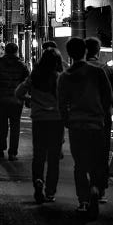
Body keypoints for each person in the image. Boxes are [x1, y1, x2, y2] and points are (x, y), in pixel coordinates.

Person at [58, 36, 113, 219]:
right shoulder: (98, 72)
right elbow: (108, 97)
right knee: (98, 159)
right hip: (96, 123)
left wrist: (67, 120)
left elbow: (62, 103)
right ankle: (96, 188)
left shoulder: (65, 76)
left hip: (76, 124)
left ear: (70, 54)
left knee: (80, 163)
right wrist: (101, 114)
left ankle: (83, 200)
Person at [15, 47, 65, 204]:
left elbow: (18, 92)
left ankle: (38, 180)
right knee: (54, 158)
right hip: (56, 121)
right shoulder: (60, 78)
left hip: (39, 120)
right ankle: (50, 192)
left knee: (39, 155)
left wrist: (29, 100)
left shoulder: (34, 77)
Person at [0, 42, 29, 161]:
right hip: (17, 100)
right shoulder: (22, 66)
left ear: (5, 51)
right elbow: (28, 83)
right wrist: (28, 99)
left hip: (2, 99)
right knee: (15, 126)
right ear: (16, 51)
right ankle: (12, 152)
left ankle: (0, 149)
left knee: (2, 124)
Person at [85, 37, 113, 201]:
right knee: (102, 154)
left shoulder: (76, 70)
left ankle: (85, 191)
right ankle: (100, 188)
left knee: (84, 154)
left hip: (81, 118)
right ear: (97, 51)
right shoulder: (107, 70)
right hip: (102, 117)